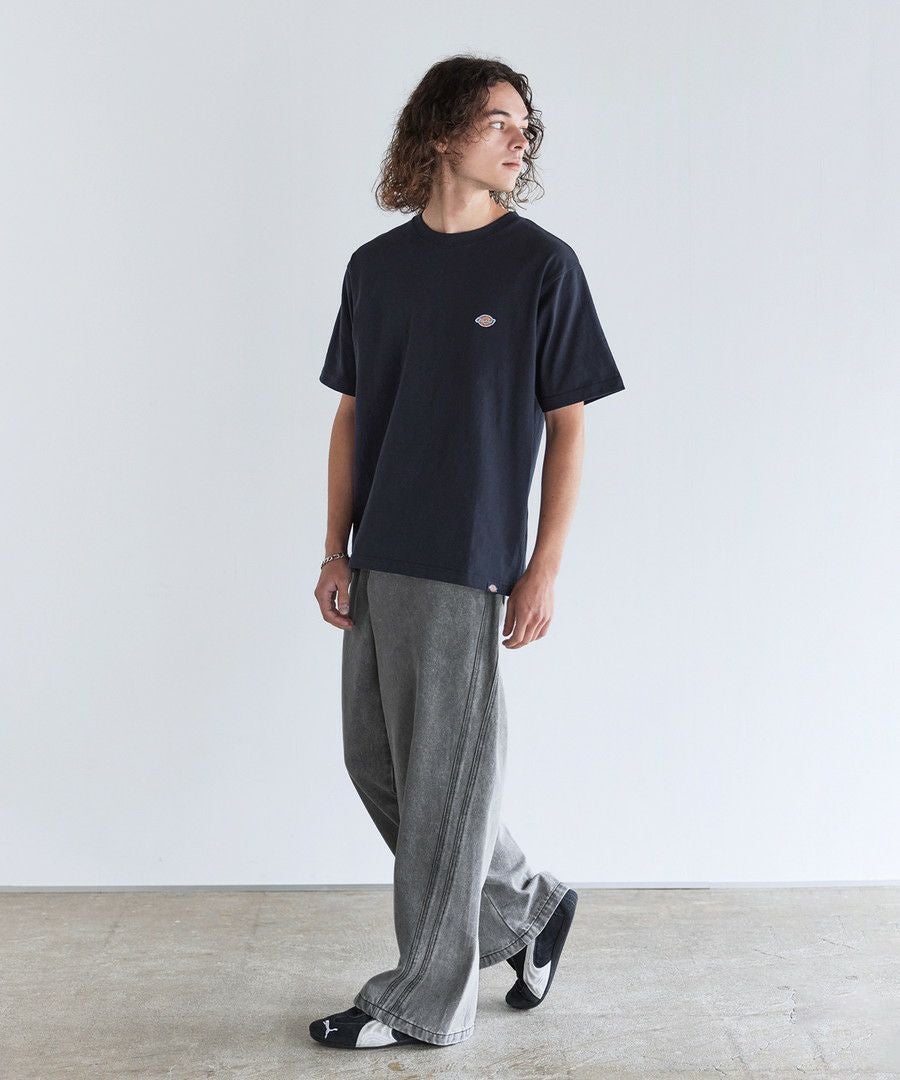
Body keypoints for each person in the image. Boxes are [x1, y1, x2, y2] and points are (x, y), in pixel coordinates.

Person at [310, 54, 625, 1050]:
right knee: (379, 764)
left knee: (446, 786)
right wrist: (333, 548)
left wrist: (544, 567)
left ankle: (422, 1002)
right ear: (443, 131)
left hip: (470, 555)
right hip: (380, 551)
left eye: (527, 126)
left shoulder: (542, 266)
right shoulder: (376, 268)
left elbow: (569, 424)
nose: (521, 139)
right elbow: (352, 415)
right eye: (500, 121)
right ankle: (527, 910)